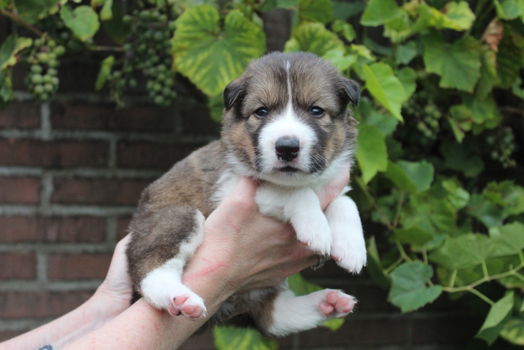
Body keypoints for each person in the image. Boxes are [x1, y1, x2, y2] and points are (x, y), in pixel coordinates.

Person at [1, 170, 349, 350]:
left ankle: (277, 312)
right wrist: (219, 273)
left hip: (196, 287)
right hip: (175, 246)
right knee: (185, 223)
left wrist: (109, 303)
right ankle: (159, 280)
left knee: (260, 299)